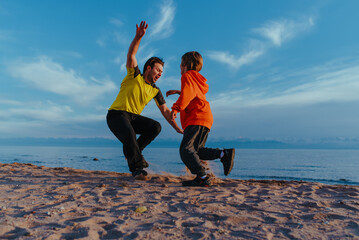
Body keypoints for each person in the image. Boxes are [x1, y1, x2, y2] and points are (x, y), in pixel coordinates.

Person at [107, 21, 183, 180]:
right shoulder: (134, 75)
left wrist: (177, 128)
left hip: (132, 118)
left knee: (155, 126)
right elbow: (131, 55)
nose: (160, 73)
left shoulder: (155, 90)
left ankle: (134, 152)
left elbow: (166, 111)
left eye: (162, 72)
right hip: (116, 115)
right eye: (158, 69)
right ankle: (137, 168)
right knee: (129, 133)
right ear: (149, 67)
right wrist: (138, 37)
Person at [166, 51, 235, 187]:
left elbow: (188, 95)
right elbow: (193, 94)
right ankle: (223, 154)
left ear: (185, 65)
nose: (180, 68)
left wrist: (175, 108)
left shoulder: (187, 76)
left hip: (196, 117)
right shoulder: (196, 79)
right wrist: (179, 92)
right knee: (197, 150)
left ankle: (202, 176)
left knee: (185, 150)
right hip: (205, 117)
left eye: (180, 65)